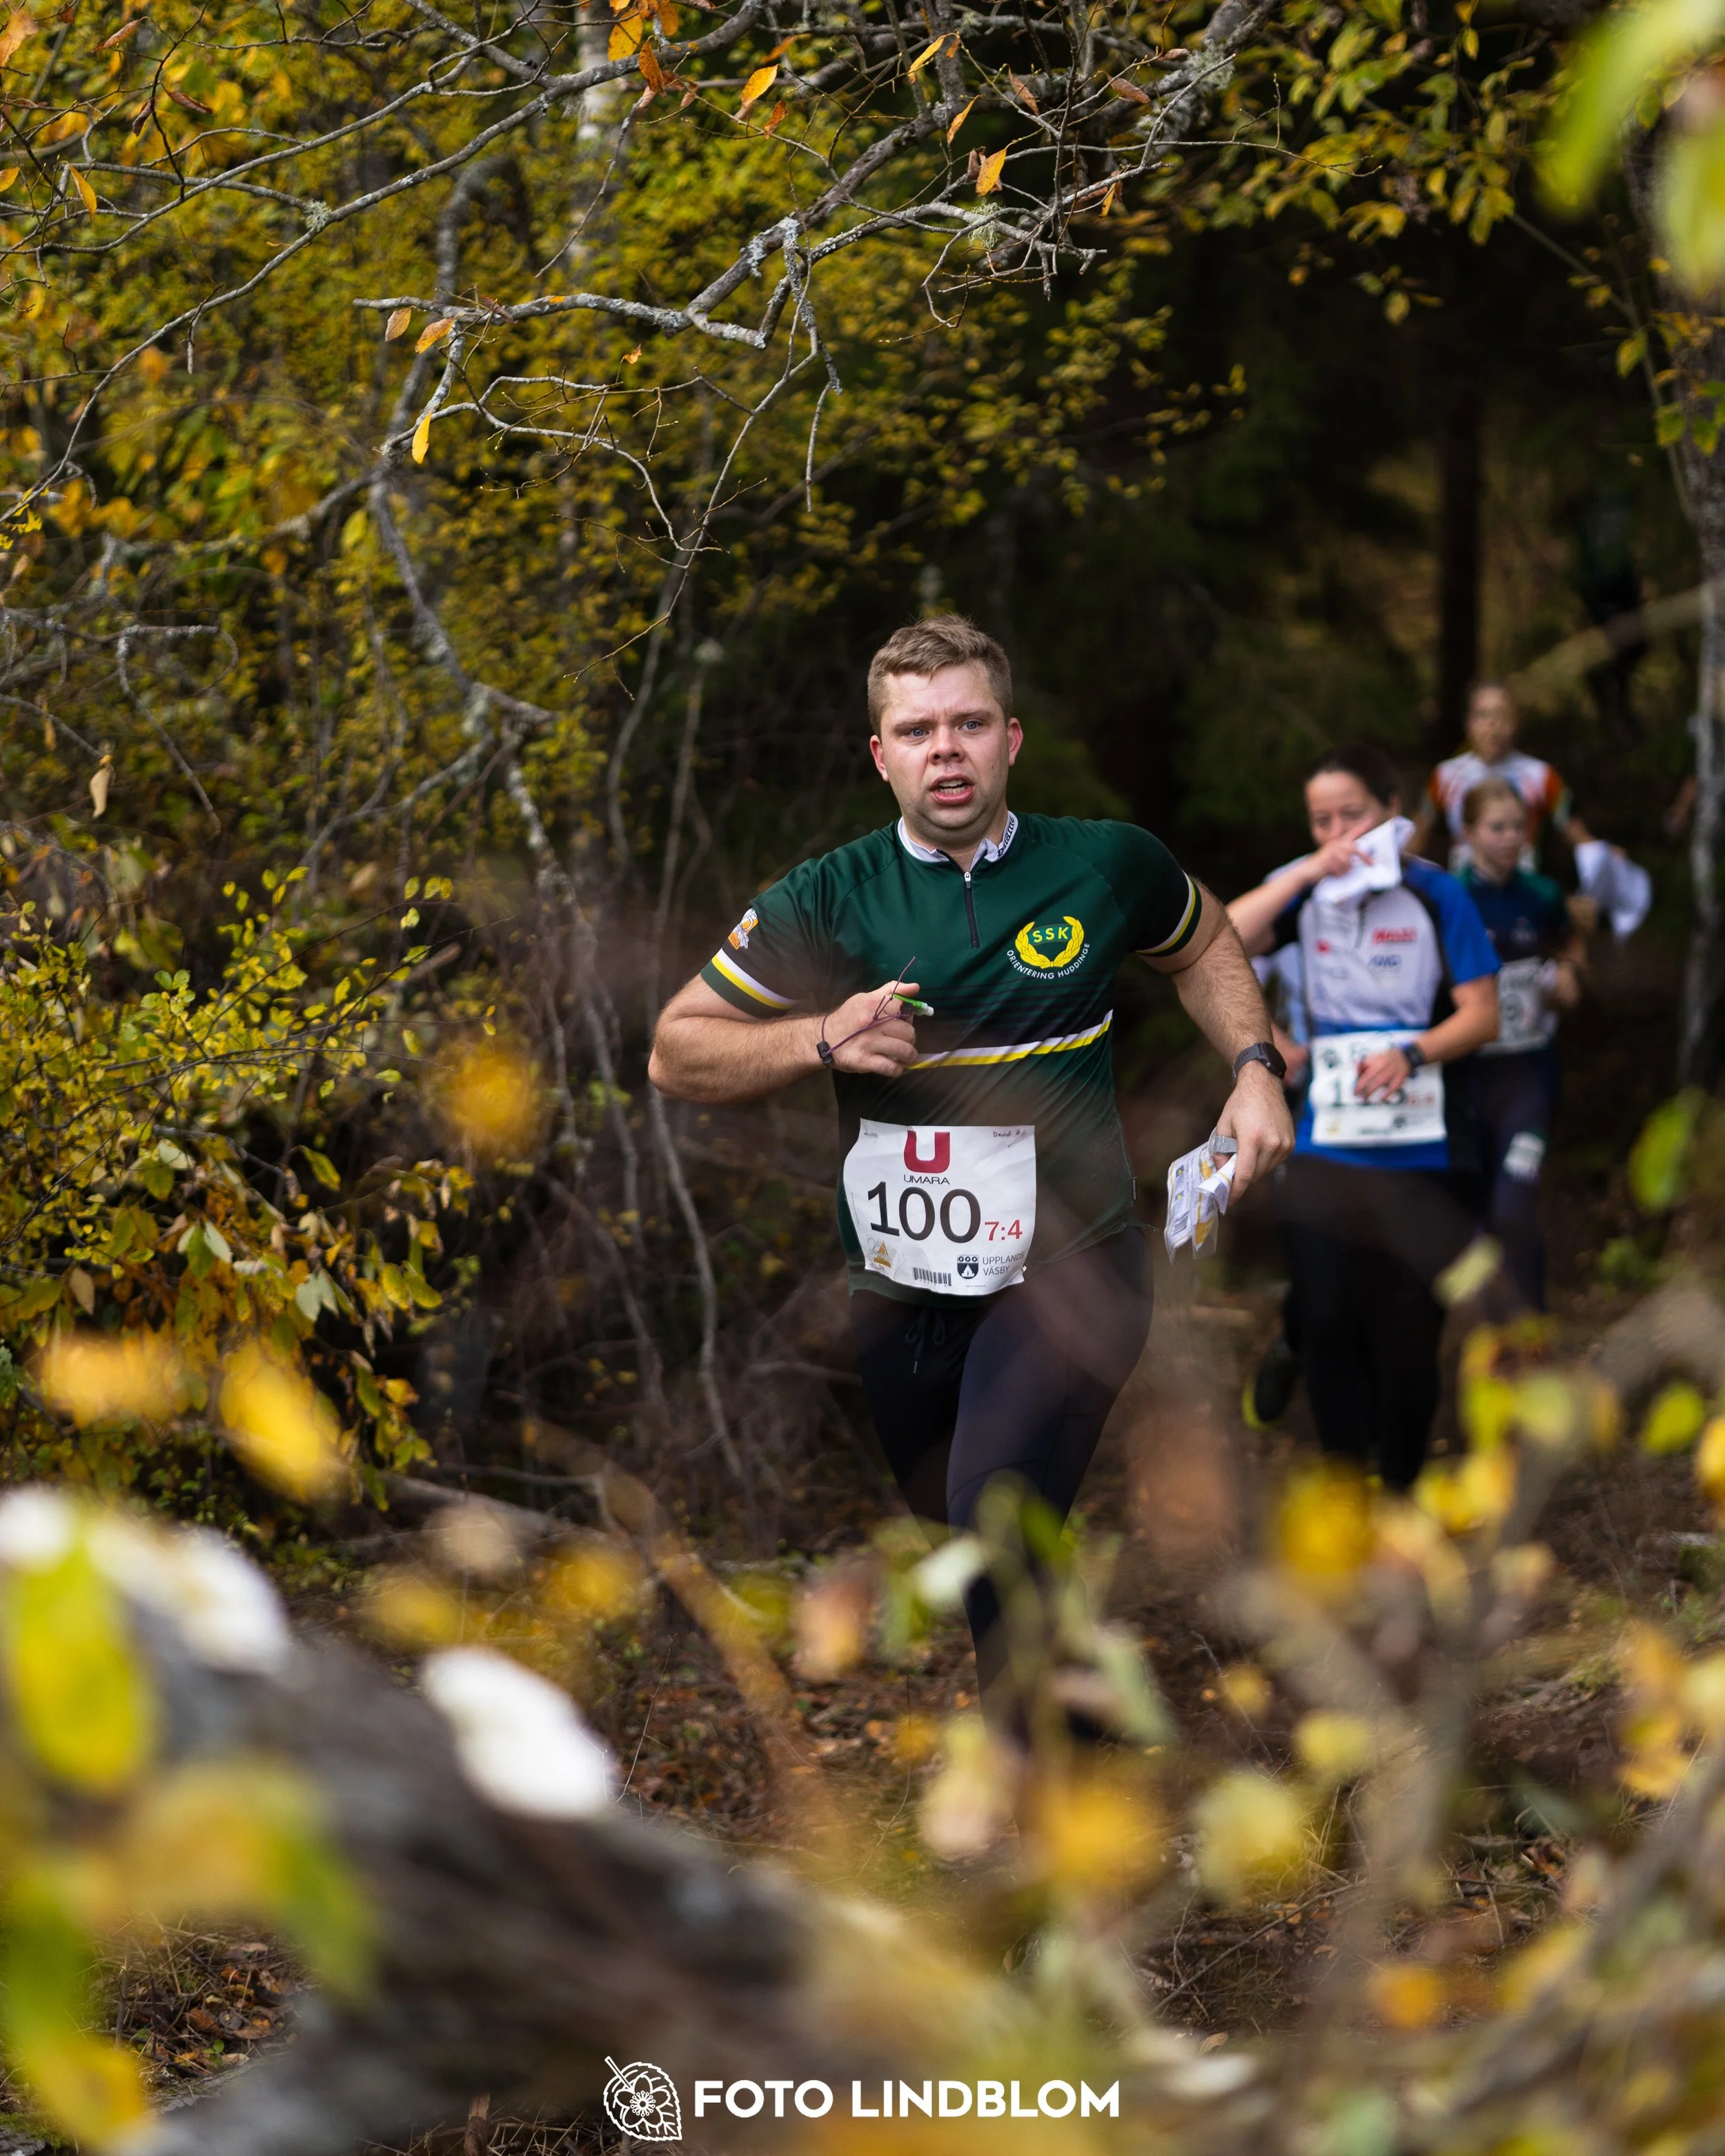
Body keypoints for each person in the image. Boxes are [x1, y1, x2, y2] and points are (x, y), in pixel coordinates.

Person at [650, 614, 1294, 1725]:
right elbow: (675, 1049)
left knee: (993, 1504)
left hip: (1078, 1256)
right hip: (903, 1281)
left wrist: (1255, 1065)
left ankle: (1039, 1793)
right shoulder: (829, 899)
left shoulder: (1102, 863)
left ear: (1011, 740)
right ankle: (1081, 1710)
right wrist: (819, 1038)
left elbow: (1200, 941)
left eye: (968, 724)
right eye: (918, 729)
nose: (945, 748)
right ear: (882, 755)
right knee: (968, 1523)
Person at [1228, 744, 1500, 1491]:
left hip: (1425, 1150)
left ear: (1392, 809)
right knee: (1325, 1322)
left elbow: (1484, 1015)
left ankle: (1402, 1496)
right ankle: (1345, 1497)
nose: (1340, 832)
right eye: (1322, 821)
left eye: (1354, 814)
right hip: (1323, 1144)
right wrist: (1310, 871)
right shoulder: (1310, 892)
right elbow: (1218, 939)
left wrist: (1414, 1054)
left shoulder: (1436, 894)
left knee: (1409, 1340)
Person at [1456, 777, 1584, 1311]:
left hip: (1529, 1077)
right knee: (1481, 1212)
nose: (1511, 838)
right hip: (1466, 1079)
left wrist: (1571, 974)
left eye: (1519, 827)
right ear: (1468, 833)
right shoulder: (1452, 897)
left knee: (1515, 1204)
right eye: (1497, 827)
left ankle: (1534, 1330)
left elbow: (1571, 942)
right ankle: (1491, 1336)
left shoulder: (1543, 894)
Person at [1412, 682, 1595, 872]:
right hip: (1465, 892)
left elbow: (1581, 839)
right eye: (1483, 715)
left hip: (1522, 889)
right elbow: (1416, 839)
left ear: (1516, 721)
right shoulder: (1445, 775)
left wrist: (1606, 858)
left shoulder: (1542, 775)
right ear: (1468, 722)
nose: (1493, 725)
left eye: (1502, 715)